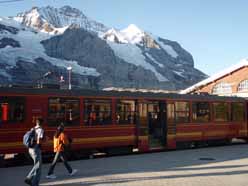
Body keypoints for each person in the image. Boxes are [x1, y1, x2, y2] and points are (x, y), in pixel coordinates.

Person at [24, 118, 45, 186]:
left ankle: (31, 180)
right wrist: (45, 140)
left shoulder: (33, 128)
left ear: (37, 123)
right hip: (36, 149)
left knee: (37, 165)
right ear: (42, 123)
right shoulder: (41, 130)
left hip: (30, 149)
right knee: (38, 166)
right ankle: (30, 179)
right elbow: (39, 140)